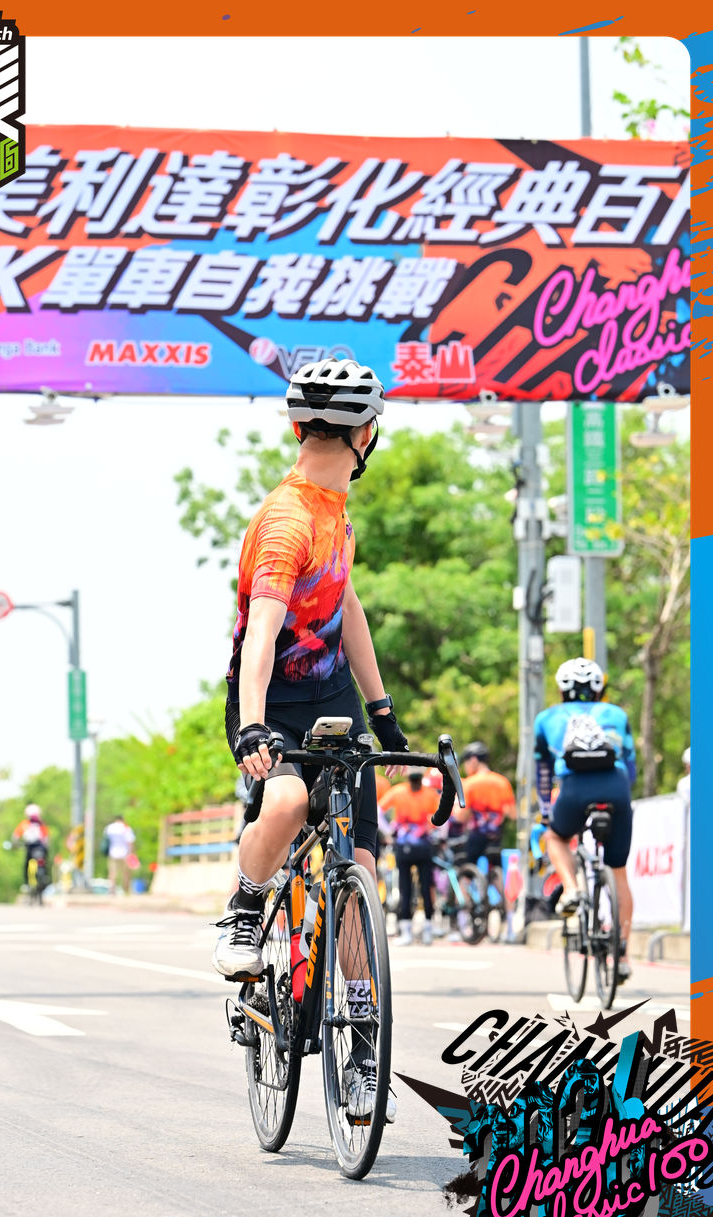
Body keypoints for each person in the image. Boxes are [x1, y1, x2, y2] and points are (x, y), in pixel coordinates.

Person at [213, 357, 410, 1123]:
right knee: (288, 801)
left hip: (332, 696)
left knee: (361, 867)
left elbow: (346, 607)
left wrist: (381, 711)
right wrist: (252, 725)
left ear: (300, 425)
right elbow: (261, 632)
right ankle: (244, 905)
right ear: (367, 434)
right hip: (271, 698)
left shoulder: (337, 511)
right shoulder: (288, 518)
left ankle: (359, 1045)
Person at [533, 658, 637, 982]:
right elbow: (630, 764)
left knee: (555, 837)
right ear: (599, 688)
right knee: (619, 873)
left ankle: (572, 889)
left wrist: (546, 809)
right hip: (617, 788)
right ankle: (622, 955)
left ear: (562, 689)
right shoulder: (616, 714)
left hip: (574, 789)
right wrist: (622, 796)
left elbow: (543, 771)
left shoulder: (546, 718)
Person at [379, 766, 442, 946]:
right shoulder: (430, 794)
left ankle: (408, 930)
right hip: (423, 845)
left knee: (406, 887)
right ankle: (426, 929)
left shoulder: (398, 791)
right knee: (424, 886)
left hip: (404, 845)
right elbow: (442, 815)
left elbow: (378, 811)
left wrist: (389, 832)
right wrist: (436, 832)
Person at [455, 741, 516, 863]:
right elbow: (512, 814)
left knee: (467, 867)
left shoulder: (469, 783)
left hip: (476, 837)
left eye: (465, 762)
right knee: (496, 866)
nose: (465, 767)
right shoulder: (502, 782)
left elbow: (461, 817)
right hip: (496, 836)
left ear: (473, 760)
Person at [13, 803, 51, 888]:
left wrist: (15, 845)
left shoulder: (25, 824)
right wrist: (46, 847)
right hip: (40, 847)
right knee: (45, 862)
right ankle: (46, 878)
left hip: (30, 847)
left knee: (26, 864)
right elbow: (46, 838)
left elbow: (15, 836)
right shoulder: (41, 824)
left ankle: (26, 883)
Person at [102, 815, 136, 893]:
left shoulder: (109, 827)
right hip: (125, 854)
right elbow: (130, 842)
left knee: (112, 873)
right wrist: (132, 853)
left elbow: (106, 840)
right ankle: (125, 890)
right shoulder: (126, 828)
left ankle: (112, 889)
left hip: (112, 853)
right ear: (122, 820)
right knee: (125, 873)